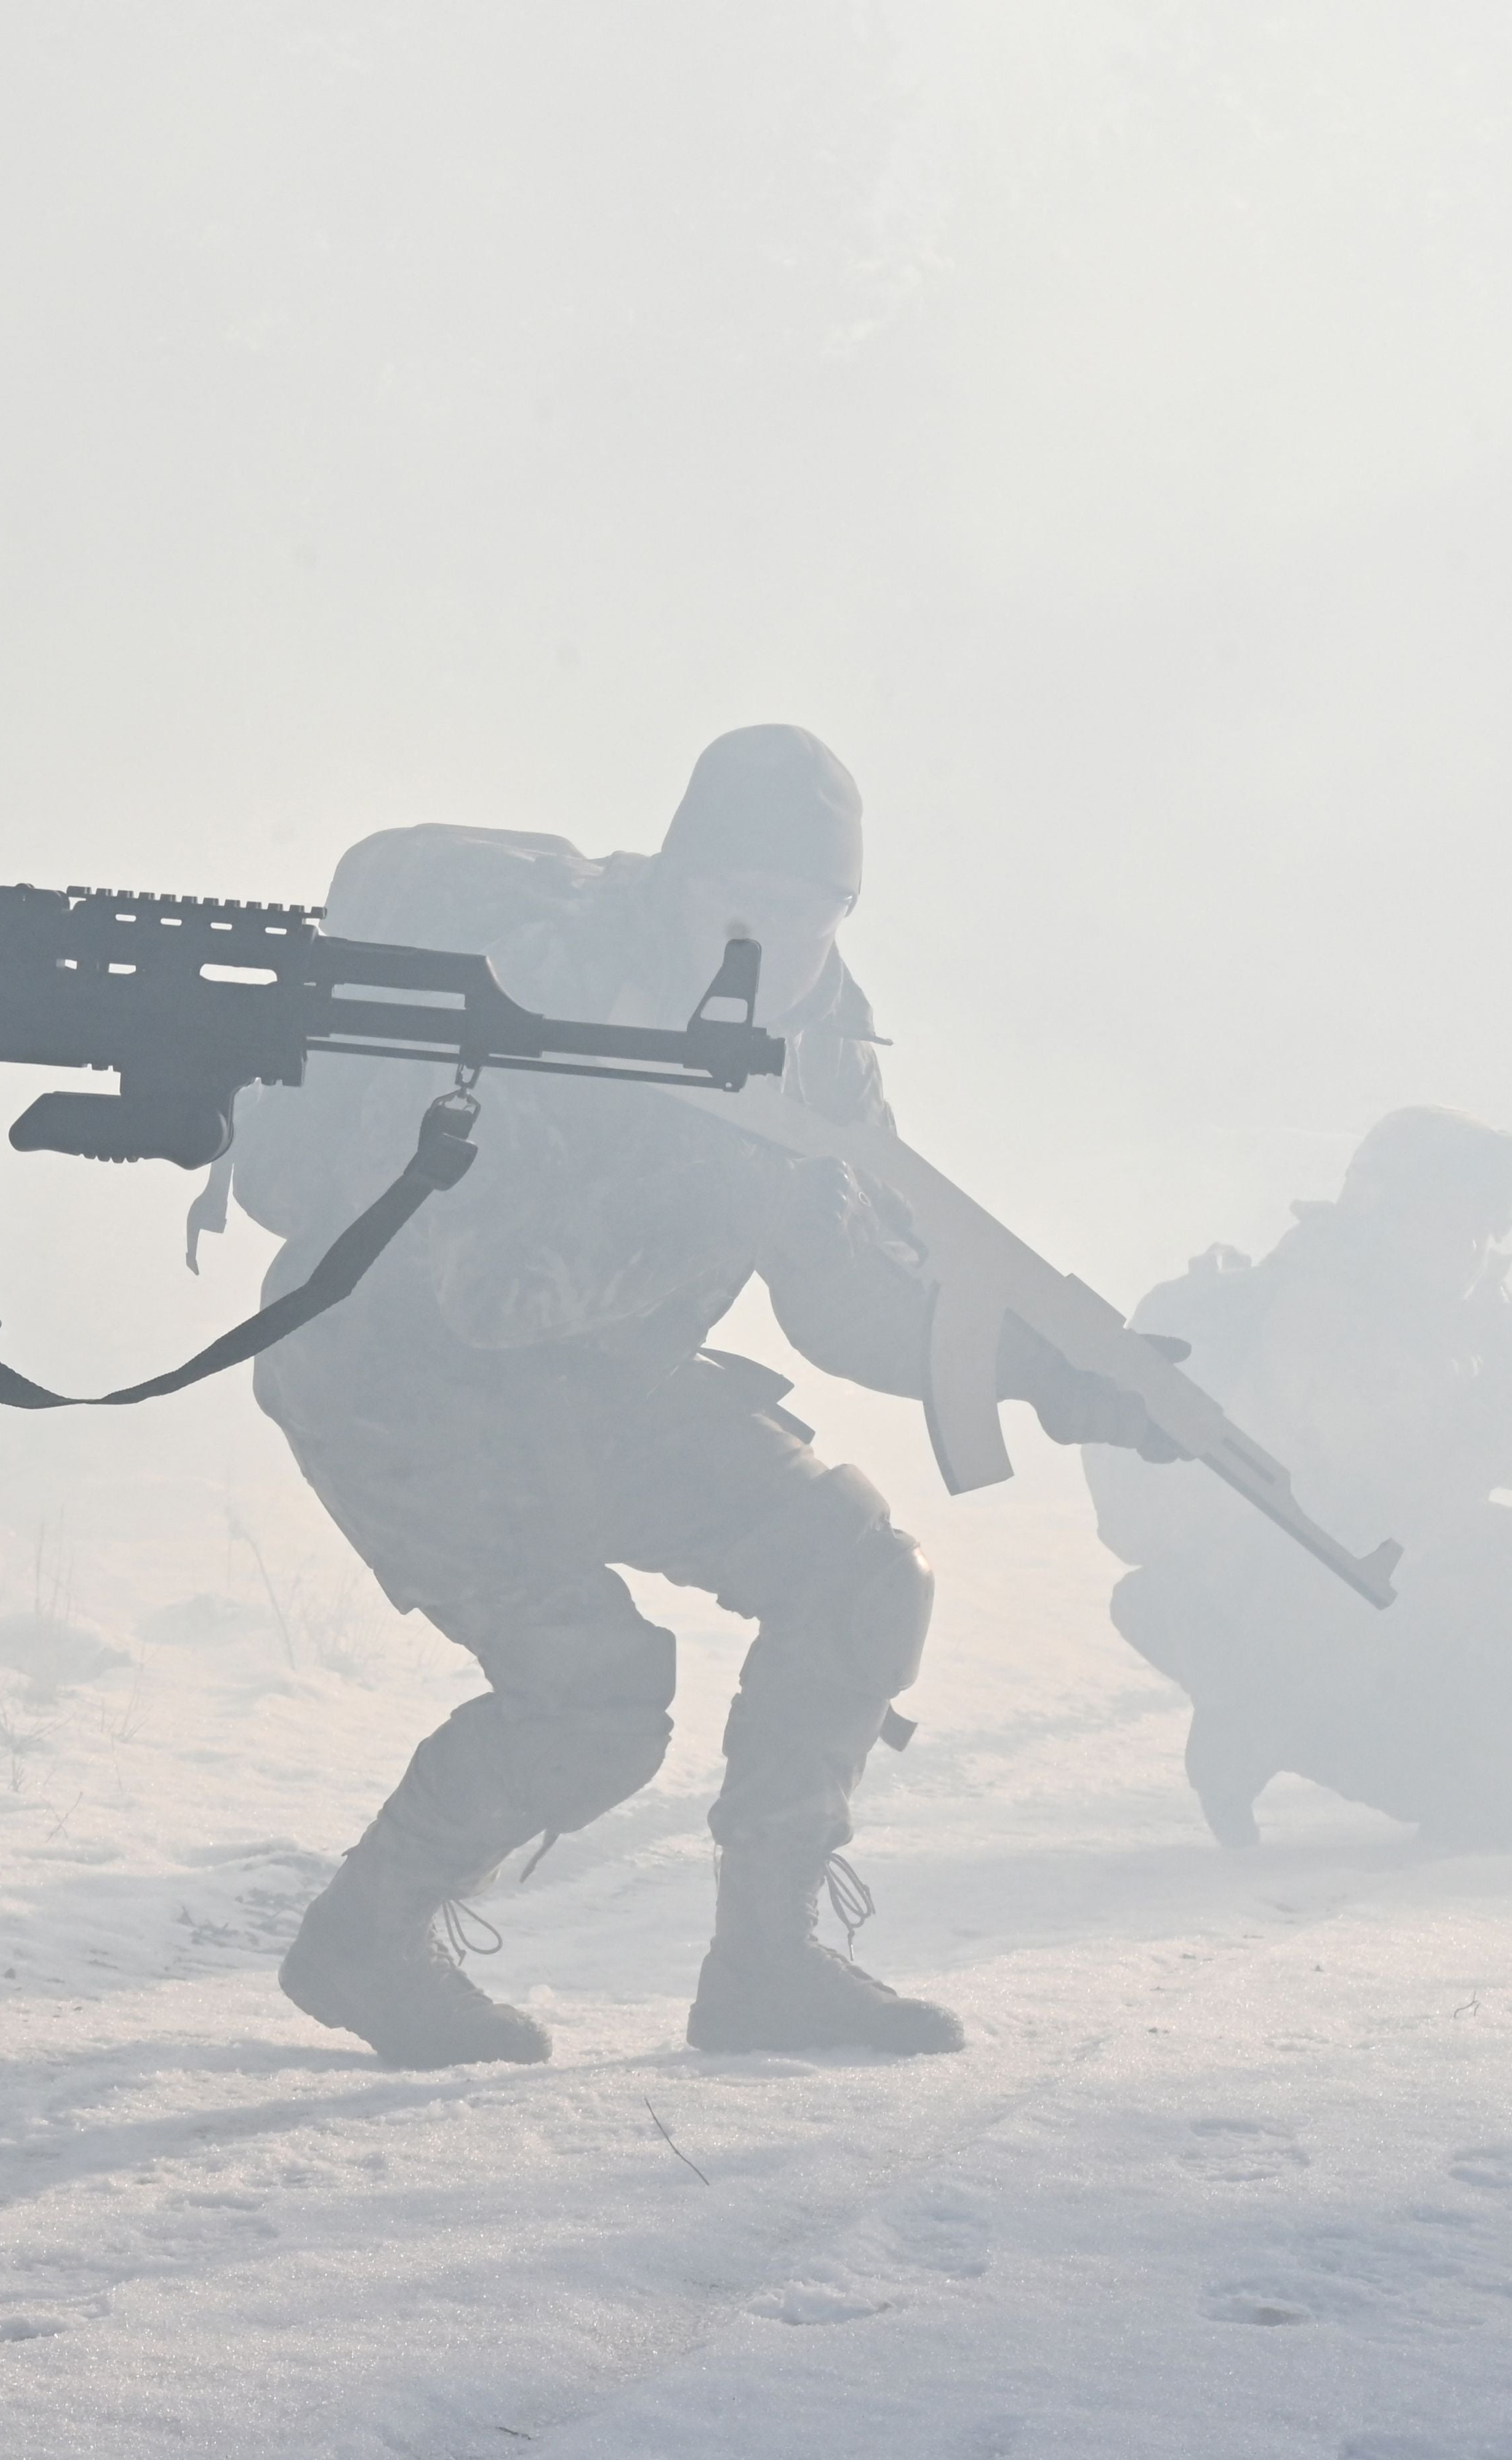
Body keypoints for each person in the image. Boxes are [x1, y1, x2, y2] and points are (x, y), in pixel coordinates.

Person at [233, 725, 1160, 2069]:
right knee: (594, 1698)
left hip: (601, 1387)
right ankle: (364, 1939)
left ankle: (767, 1968)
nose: (783, 941)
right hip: (400, 1388)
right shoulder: (536, 996)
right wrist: (715, 1185)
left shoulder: (819, 1030)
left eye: (819, 912)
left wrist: (1042, 1368)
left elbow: (838, 1290)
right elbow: (487, 1290)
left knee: (859, 1572)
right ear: (675, 879)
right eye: (754, 903)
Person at [1085, 1107, 1512, 1855]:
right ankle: (1311, 1726)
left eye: (1491, 1224)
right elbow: (1411, 1471)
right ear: (1386, 1209)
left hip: (1306, 1585)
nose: (1478, 1244)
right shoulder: (1328, 1311)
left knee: (1480, 1640)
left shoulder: (1402, 1308)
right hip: (1273, 1594)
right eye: (1458, 1218)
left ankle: (1362, 1747)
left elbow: (1503, 1452)